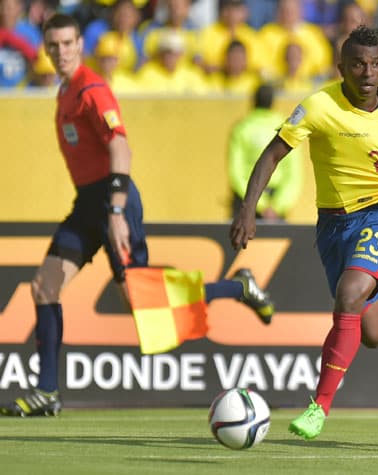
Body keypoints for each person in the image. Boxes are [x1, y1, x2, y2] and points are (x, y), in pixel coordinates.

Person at [0, 13, 274, 418]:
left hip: (115, 200)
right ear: (45, 47)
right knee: (44, 287)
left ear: (80, 44)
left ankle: (240, 288)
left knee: (141, 301)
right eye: (53, 45)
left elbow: (120, 148)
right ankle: (46, 392)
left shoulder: (92, 89)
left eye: (67, 43)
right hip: (88, 203)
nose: (60, 51)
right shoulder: (64, 92)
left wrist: (114, 210)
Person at [230, 25, 378, 440]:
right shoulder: (318, 106)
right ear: (342, 68)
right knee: (372, 331)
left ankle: (320, 407)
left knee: (349, 294)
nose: (367, 73)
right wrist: (248, 210)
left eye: (374, 64)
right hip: (333, 226)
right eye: (358, 64)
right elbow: (272, 153)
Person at [228, 83, 304, 221]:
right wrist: (277, 205)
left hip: (247, 201)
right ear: (273, 102)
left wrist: (258, 204)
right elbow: (293, 174)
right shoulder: (285, 126)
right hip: (275, 202)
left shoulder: (241, 128)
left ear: (253, 101)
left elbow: (236, 173)